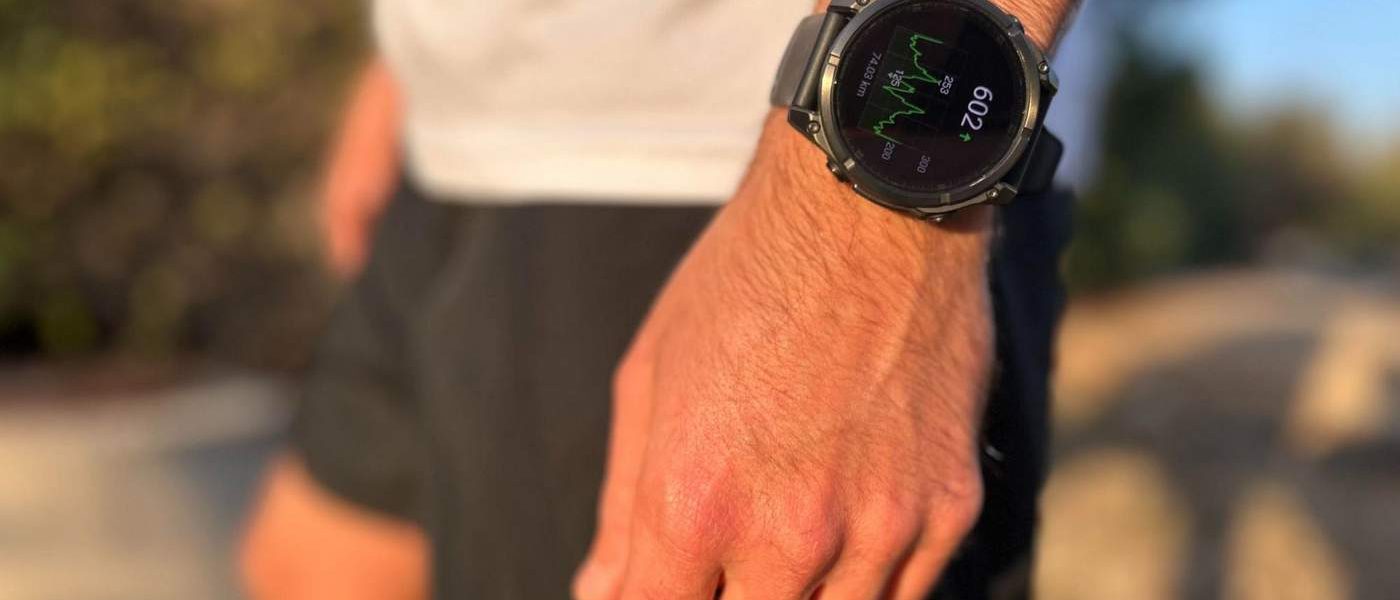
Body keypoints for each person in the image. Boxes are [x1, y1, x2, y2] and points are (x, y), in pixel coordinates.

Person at [240, 0, 1079, 598]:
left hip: (744, 185)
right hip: (463, 138)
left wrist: (863, 235)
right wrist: (426, 61)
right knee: (307, 570)